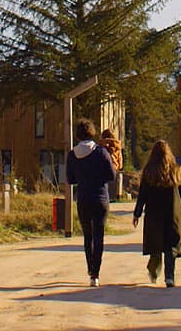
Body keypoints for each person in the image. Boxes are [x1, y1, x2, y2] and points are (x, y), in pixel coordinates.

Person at [66, 119, 116, 287]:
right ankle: (96, 273)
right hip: (100, 197)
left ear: (78, 134)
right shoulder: (101, 152)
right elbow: (112, 175)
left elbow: (70, 179)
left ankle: (90, 270)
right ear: (92, 132)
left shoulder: (72, 154)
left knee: (87, 236)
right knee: (99, 235)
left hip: (83, 198)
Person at [132, 140, 181, 288]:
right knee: (171, 246)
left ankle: (154, 271)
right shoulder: (176, 170)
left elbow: (142, 194)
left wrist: (137, 213)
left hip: (154, 213)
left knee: (156, 244)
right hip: (173, 212)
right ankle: (170, 277)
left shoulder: (149, 171)